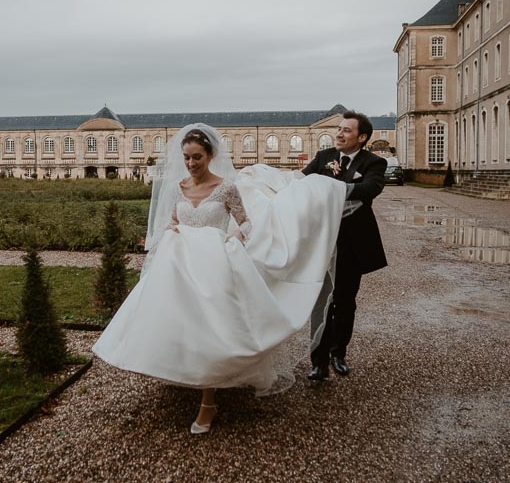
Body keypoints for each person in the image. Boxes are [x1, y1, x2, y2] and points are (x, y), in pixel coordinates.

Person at [92, 123, 348, 434]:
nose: (190, 164)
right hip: (180, 267)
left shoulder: (226, 187)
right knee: (177, 325)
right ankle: (185, 374)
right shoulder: (179, 188)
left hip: (214, 267)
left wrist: (236, 237)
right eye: (186, 158)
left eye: (196, 157)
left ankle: (208, 400)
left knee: (210, 330)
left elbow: (246, 223)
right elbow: (174, 220)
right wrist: (171, 232)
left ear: (210, 155)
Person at [301, 110, 388, 381]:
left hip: (352, 242)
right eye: (338, 129)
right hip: (322, 241)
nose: (339, 133)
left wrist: (330, 188)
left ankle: (338, 354)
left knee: (344, 301)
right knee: (320, 300)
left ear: (361, 137)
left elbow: (370, 188)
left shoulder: (375, 162)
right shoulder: (324, 158)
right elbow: (301, 184)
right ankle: (318, 360)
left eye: (346, 130)